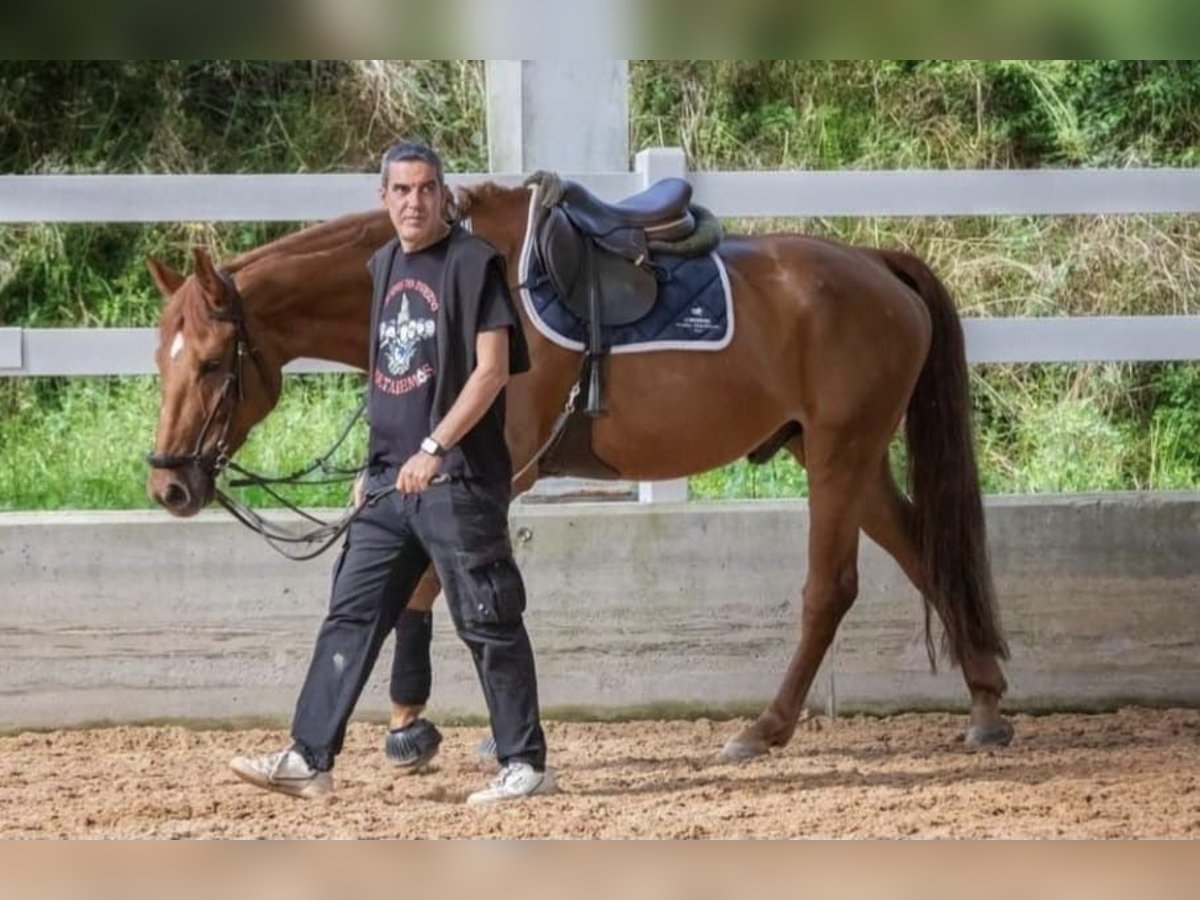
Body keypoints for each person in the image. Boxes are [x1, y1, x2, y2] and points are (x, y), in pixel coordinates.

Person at [230, 139, 554, 806]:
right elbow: (388, 373)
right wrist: (374, 462)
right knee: (350, 615)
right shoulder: (382, 266)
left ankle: (524, 763)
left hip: (457, 478)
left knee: (489, 617)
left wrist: (434, 447)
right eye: (401, 190)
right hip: (387, 484)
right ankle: (308, 758)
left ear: (442, 195)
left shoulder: (475, 264)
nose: (413, 201)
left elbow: (491, 371)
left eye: (425, 188)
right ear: (384, 199)